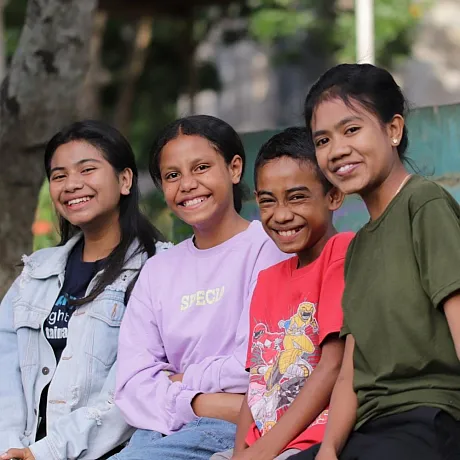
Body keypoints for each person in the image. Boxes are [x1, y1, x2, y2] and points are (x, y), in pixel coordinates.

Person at [291, 63, 460, 460]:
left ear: (393, 129)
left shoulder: (424, 204)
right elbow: (351, 369)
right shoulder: (358, 247)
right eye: (323, 140)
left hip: (431, 418)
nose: (337, 150)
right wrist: (328, 449)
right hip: (370, 428)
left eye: (351, 130)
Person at [110, 115, 288, 460]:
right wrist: (200, 402)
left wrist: (179, 379)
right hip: (163, 426)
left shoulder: (268, 248)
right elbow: (131, 387)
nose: (187, 184)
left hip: (236, 428)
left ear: (234, 168)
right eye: (172, 175)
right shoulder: (158, 270)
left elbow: (256, 366)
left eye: (201, 167)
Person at [0, 120, 169, 460]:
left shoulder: (160, 268)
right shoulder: (35, 272)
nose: (71, 184)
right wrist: (11, 448)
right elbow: (5, 372)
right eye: (59, 175)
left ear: (125, 180)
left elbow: (131, 391)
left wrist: (44, 453)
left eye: (87, 169)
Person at [212, 127, 353, 460]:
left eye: (297, 197)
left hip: (309, 445)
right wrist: (241, 453)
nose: (281, 214)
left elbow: (333, 365)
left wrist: (263, 451)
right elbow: (258, 385)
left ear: (333, 196)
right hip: (261, 446)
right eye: (267, 201)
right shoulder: (267, 280)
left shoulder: (342, 253)